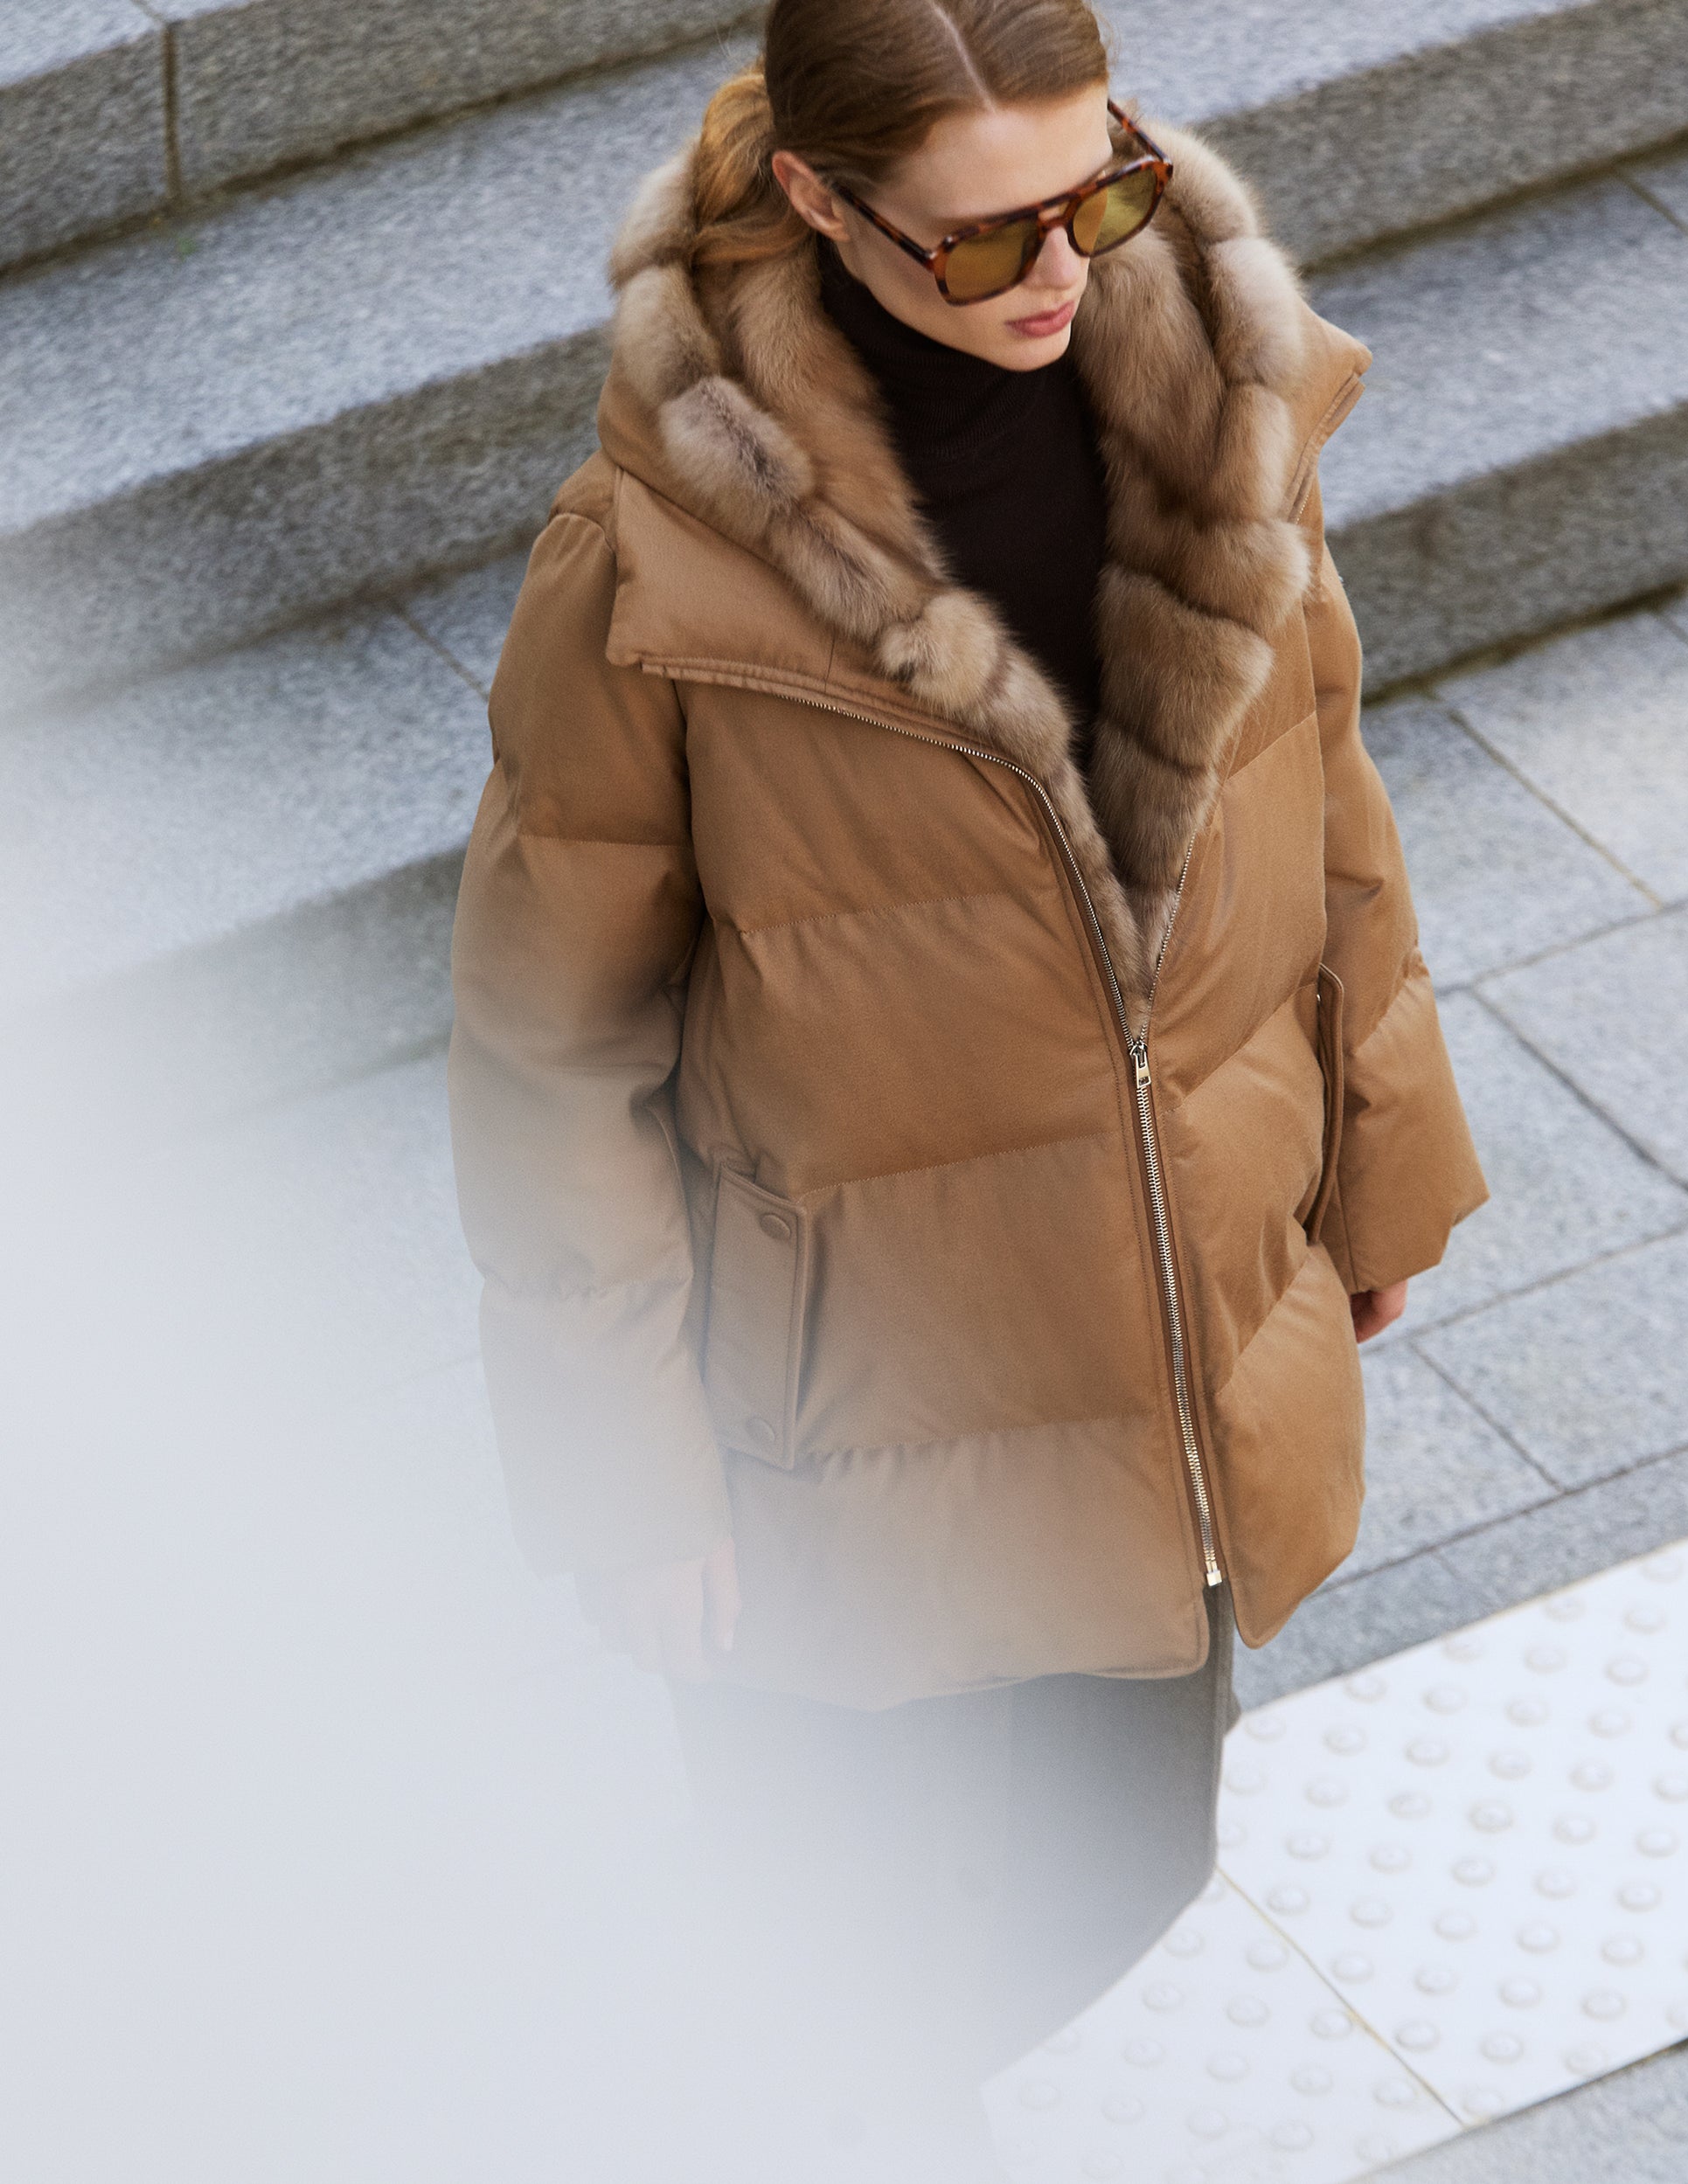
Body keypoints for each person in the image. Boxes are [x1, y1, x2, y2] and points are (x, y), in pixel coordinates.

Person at [447, 2, 1487, 2175]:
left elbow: (1325, 779)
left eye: (1099, 192)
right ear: (819, 203)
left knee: (1128, 1858)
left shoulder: (1218, 399)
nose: (1059, 271)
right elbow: (551, 1044)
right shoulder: (656, 567)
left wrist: (1378, 1151)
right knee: (847, 1939)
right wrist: (628, 1466)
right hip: (842, 1391)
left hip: (1159, 1320)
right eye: (985, 236)